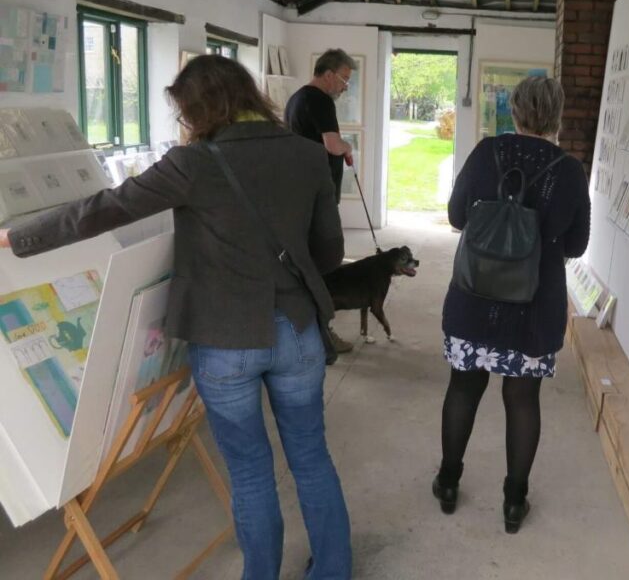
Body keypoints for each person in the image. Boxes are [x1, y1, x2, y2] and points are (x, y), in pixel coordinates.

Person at [0, 56, 352, 580]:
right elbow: (329, 253)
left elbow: (102, 208)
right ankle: (334, 572)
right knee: (311, 457)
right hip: (297, 332)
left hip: (225, 342)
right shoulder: (305, 155)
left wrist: (14, 237)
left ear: (198, 110)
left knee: (251, 473)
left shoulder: (192, 163)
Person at [433, 75, 591, 534]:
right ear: (556, 116)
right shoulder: (569, 171)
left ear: (516, 112)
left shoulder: (487, 153)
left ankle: (447, 482)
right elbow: (577, 245)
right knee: (522, 400)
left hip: (473, 299)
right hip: (535, 307)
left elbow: (457, 216)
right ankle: (514, 502)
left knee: (463, 389)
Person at [285, 49, 357, 356]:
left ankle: (308, 333)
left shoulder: (298, 98)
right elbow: (331, 143)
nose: (344, 87)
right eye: (344, 79)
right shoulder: (320, 100)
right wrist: (347, 146)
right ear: (328, 74)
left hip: (300, 192)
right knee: (325, 264)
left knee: (308, 264)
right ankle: (322, 336)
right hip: (318, 196)